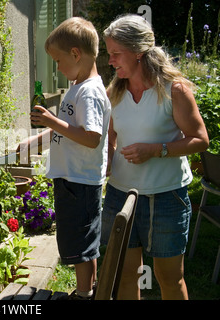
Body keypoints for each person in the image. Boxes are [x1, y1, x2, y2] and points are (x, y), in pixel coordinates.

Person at [101, 14, 209, 300]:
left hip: (166, 198)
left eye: (115, 54)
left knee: (169, 278)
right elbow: (110, 133)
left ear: (138, 52)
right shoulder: (116, 91)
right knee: (125, 275)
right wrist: (110, 158)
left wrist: (156, 150)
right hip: (119, 196)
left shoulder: (175, 90)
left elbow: (200, 140)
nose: (110, 61)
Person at [19, 17, 111, 300]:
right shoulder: (77, 87)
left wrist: (49, 120)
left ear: (75, 53)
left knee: (82, 246)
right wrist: (33, 142)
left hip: (79, 182)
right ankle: (88, 291)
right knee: (84, 243)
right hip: (74, 180)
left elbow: (91, 137)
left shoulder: (90, 92)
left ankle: (83, 295)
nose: (57, 68)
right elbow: (68, 131)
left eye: (58, 60)